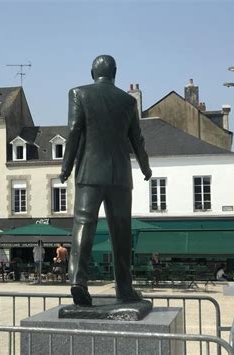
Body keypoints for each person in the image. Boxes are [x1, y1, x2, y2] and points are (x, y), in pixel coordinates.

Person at [59, 55, 152, 306]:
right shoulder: (128, 101)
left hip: (90, 173)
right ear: (116, 73)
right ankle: (124, 289)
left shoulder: (78, 94)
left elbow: (74, 131)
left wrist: (66, 168)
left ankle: (78, 280)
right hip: (121, 175)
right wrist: (145, 167)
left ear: (92, 72)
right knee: (121, 232)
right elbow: (137, 140)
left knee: (83, 225)